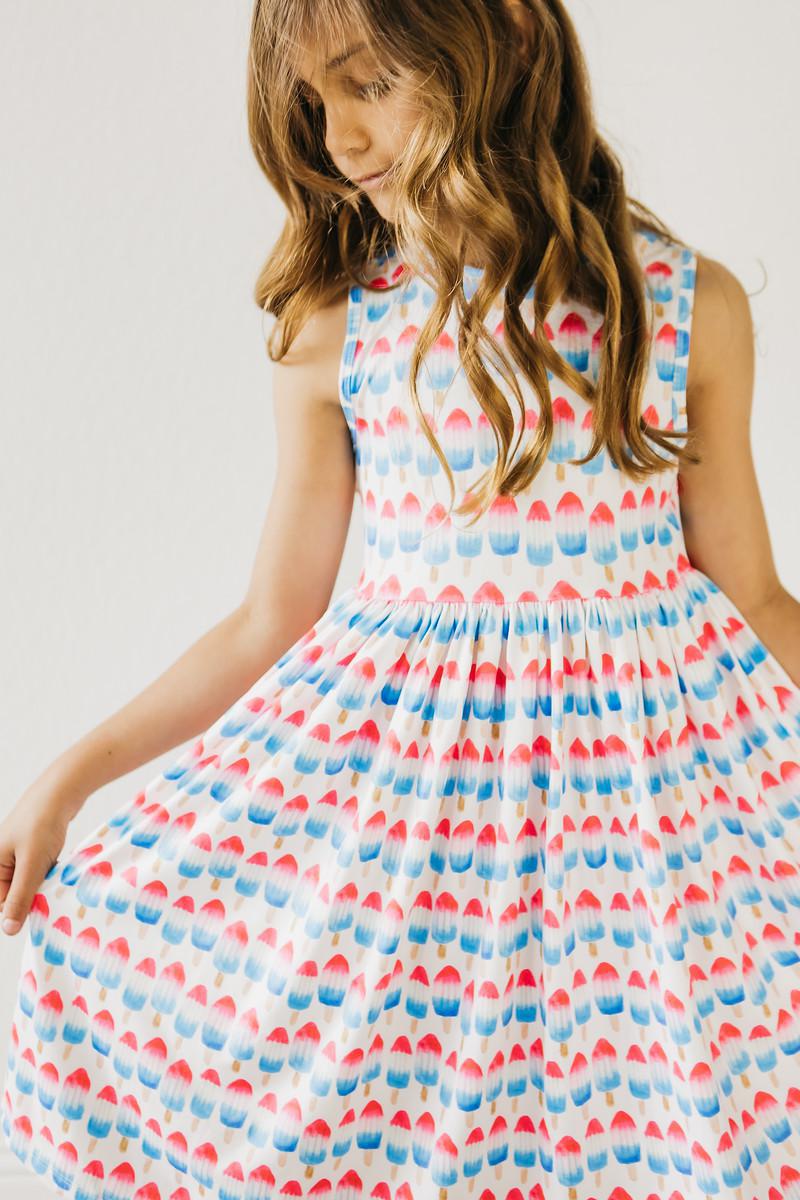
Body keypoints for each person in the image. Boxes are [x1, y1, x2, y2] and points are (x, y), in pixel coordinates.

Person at [3, 1, 800, 1197]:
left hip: (648, 834)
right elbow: (271, 619)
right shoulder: (335, 333)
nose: (340, 139)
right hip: (418, 833)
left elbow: (750, 595)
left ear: (510, 42)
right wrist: (69, 776)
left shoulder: (682, 309)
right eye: (315, 104)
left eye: (369, 83)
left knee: (643, 1126)